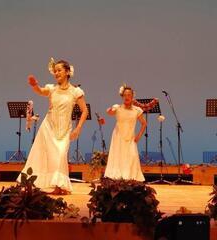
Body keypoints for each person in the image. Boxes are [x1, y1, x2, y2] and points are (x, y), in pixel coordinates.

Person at [17, 58, 88, 194]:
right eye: (55, 71)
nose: (56, 73)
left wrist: (78, 128)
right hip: (49, 127)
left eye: (59, 70)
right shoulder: (52, 88)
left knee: (60, 155)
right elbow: (41, 91)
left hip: (64, 129)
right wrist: (34, 86)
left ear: (67, 72)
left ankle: (59, 184)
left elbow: (84, 110)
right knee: (47, 156)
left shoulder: (76, 91)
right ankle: (48, 184)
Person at [104, 85, 147, 181]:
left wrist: (139, 136)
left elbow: (144, 123)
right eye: (125, 95)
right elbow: (110, 112)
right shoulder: (118, 108)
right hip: (118, 137)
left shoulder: (137, 110)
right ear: (122, 96)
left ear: (132, 97)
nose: (127, 97)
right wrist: (110, 110)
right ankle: (116, 179)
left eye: (129, 95)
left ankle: (130, 179)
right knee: (118, 157)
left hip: (130, 137)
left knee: (131, 157)